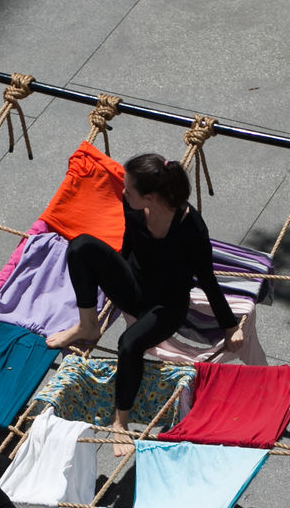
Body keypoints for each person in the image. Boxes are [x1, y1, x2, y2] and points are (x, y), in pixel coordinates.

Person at [46, 155, 244, 455]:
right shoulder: (135, 207)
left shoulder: (191, 229)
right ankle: (88, 325)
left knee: (129, 343)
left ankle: (120, 425)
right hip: (135, 287)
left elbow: (207, 279)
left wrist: (230, 327)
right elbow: (129, 242)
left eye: (129, 189)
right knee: (81, 246)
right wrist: (114, 275)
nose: (123, 193)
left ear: (150, 196)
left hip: (167, 305)